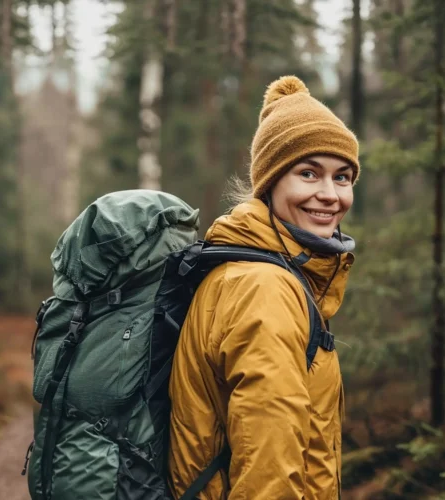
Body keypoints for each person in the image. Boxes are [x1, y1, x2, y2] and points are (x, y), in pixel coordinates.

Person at [167, 75, 360, 499]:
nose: (330, 195)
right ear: (270, 183)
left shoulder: (255, 268)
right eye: (308, 173)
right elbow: (268, 470)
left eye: (342, 177)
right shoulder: (264, 288)